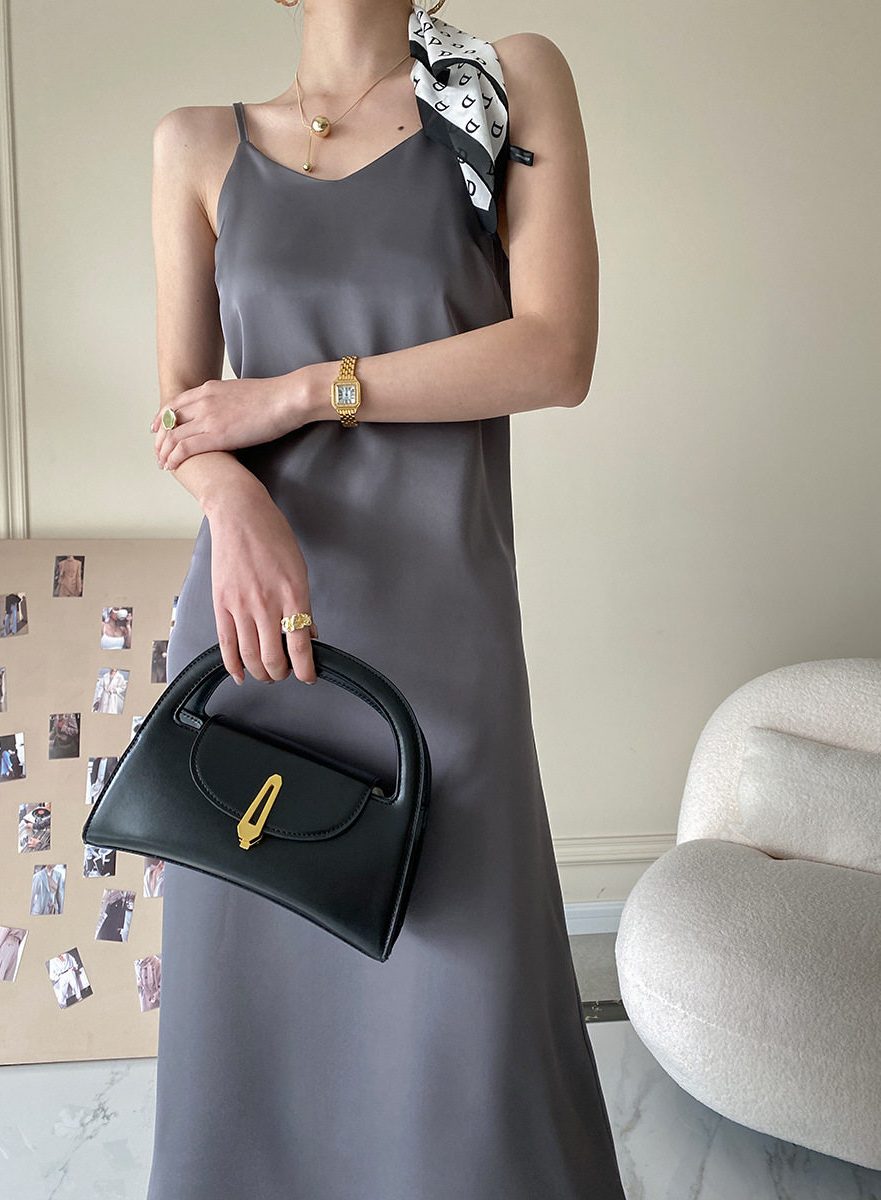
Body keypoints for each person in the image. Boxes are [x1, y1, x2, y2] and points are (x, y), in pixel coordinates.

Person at [146, 2, 624, 1198]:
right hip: (257, 631)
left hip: (442, 636)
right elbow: (183, 412)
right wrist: (233, 501)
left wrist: (301, 392)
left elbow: (555, 352)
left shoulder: (500, 83)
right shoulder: (196, 144)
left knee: (466, 1009)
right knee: (256, 1023)